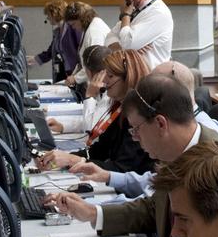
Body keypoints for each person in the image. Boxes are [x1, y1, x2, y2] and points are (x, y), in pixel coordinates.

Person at [45, 73, 218, 237]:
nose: (135, 138)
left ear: (161, 124)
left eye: (136, 130)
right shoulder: (174, 153)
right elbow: (156, 209)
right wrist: (93, 213)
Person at [72, 58, 218, 200]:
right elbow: (158, 185)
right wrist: (108, 177)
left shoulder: (210, 150)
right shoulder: (183, 131)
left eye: (154, 84)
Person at [39, 48, 152, 176]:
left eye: (110, 76)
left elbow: (121, 169)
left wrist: (73, 160)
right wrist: (63, 158)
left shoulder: (137, 117)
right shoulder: (120, 108)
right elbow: (99, 150)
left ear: (127, 78)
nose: (104, 81)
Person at [104, 0, 173, 67]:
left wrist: (125, 16)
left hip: (153, 77)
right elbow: (109, 37)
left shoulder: (158, 13)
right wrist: (123, 52)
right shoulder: (140, 10)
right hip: (137, 75)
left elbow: (127, 44)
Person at [63, 1, 109, 91]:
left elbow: (93, 63)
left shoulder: (94, 32)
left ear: (81, 19)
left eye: (73, 24)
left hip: (102, 83)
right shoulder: (89, 27)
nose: (73, 28)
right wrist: (74, 74)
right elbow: (83, 60)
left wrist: (75, 78)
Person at [29, 0, 76, 83]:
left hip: (74, 73)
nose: (47, 17)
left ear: (54, 14)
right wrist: (35, 59)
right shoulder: (58, 32)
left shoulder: (71, 29)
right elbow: (50, 52)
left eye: (48, 15)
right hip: (65, 72)